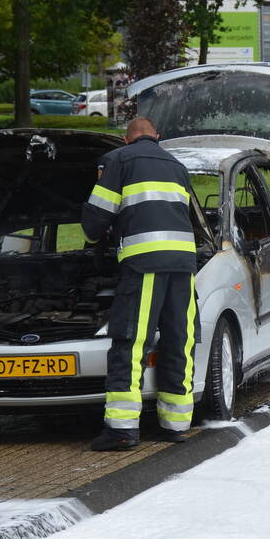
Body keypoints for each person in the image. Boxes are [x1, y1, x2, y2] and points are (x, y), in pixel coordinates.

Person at [81, 116, 199, 451]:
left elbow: (96, 218)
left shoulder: (118, 160)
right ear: (157, 136)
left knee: (131, 341)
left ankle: (121, 429)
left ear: (125, 138)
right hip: (184, 263)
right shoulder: (177, 164)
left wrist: (96, 234)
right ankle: (175, 425)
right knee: (180, 339)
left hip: (146, 262)